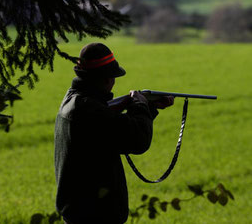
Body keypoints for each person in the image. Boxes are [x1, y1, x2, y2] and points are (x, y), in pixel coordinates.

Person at [54, 43, 174, 224]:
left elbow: (114, 131)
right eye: (112, 77)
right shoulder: (91, 110)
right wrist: (139, 105)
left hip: (81, 211)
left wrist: (148, 107)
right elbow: (138, 139)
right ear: (106, 78)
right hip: (95, 215)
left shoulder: (74, 99)